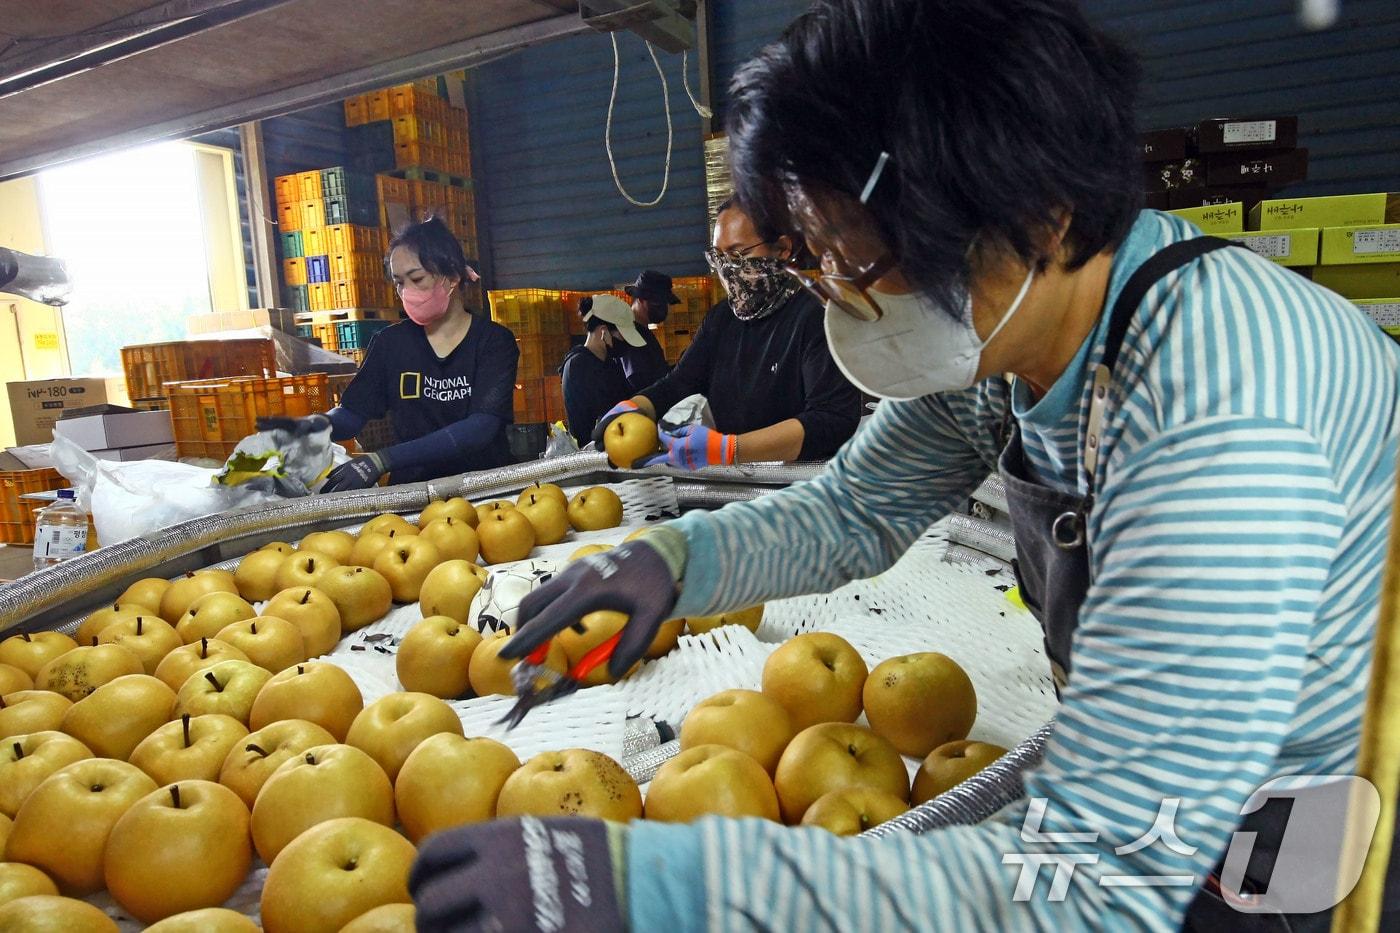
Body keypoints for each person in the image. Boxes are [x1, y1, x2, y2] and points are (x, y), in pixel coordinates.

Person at [408, 1, 1400, 930]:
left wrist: (674, 891)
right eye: (818, 261)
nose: (841, 300)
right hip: (1162, 774)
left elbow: (1096, 880)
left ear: (1035, 207)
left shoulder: (1215, 416)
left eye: (859, 258)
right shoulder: (1012, 336)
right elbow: (852, 510)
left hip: (1297, 807)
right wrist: (670, 565)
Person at [593, 197, 863, 467]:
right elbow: (680, 382)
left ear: (782, 248)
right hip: (738, 483)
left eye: (739, 255)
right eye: (719, 257)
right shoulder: (721, 320)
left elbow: (832, 419)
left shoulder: (815, 317)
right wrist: (638, 406)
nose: (727, 270)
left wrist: (730, 448)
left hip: (801, 486)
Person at [319, 217, 517, 491]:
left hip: (483, 492)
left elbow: (480, 428)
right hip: (414, 495)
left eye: (416, 279)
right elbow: (352, 415)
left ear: (452, 277)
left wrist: (382, 460)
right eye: (399, 283)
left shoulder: (493, 342)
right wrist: (308, 428)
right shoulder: (390, 344)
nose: (406, 292)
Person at [560, 294, 666, 446]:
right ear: (603, 331)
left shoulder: (608, 362)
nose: (624, 342)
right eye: (622, 336)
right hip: (595, 456)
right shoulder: (579, 366)